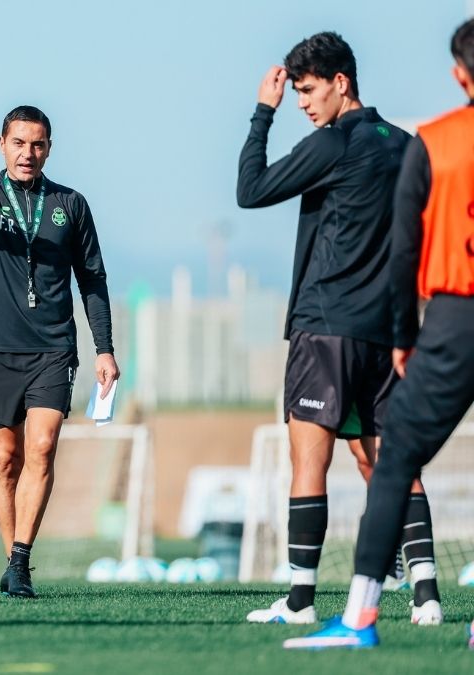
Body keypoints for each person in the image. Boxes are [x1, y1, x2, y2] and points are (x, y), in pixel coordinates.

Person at [236, 31, 441, 626]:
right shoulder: (406, 146)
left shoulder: (331, 143)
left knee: (309, 461)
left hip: (325, 326)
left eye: (307, 90)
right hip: (386, 331)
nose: (302, 102)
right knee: (388, 461)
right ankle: (426, 595)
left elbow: (250, 191)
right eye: (294, 92)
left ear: (340, 83)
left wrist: (261, 113)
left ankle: (300, 601)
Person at [285, 18, 474, 650]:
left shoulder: (437, 141)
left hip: (453, 317)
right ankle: (424, 595)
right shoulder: (403, 140)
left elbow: (404, 249)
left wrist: (404, 331)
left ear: (459, 75)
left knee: (394, 463)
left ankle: (359, 618)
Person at [0, 105, 119, 599]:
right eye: (19, 143)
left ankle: (20, 562)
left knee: (42, 446)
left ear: (49, 149)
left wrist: (104, 349)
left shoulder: (70, 204)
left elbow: (94, 281)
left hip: (53, 347)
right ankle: (9, 558)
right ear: (2, 145)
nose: (27, 153)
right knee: (5, 457)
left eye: (37, 144)